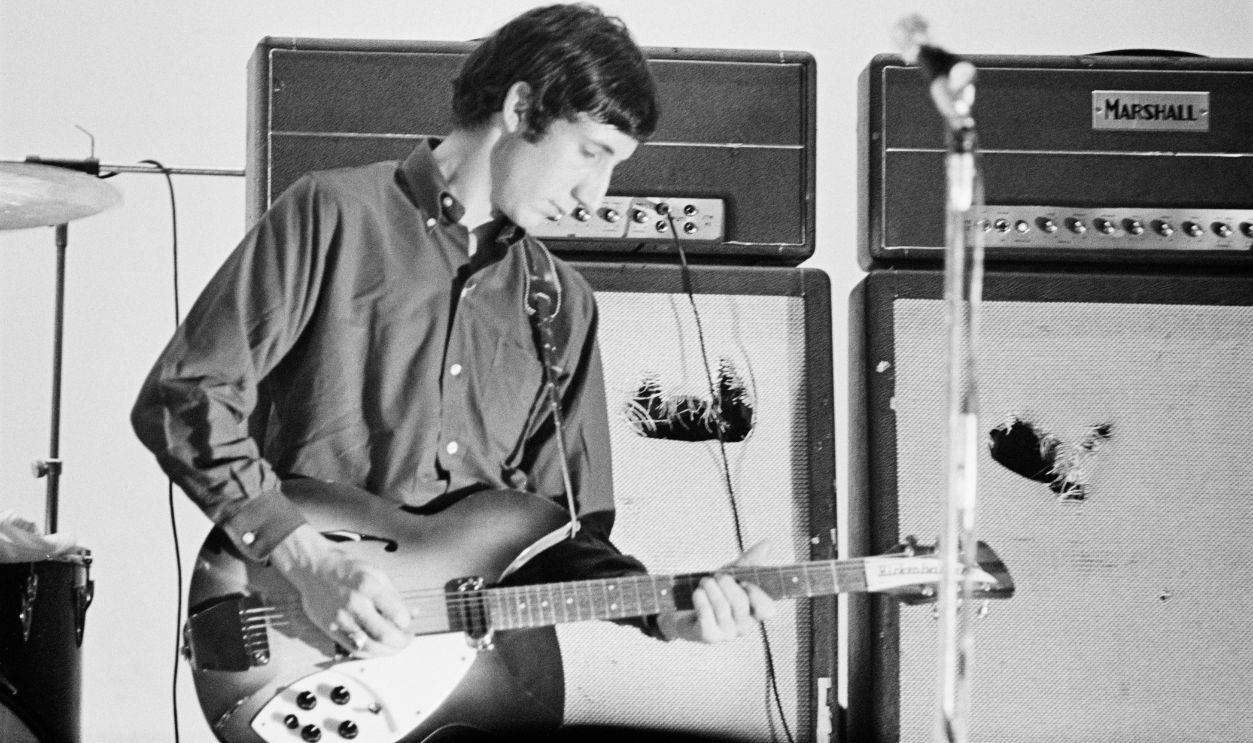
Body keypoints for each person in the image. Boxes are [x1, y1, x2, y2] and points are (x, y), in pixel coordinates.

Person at [131, 3, 774, 662]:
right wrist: (307, 560)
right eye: (590, 153)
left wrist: (664, 612)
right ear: (521, 108)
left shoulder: (564, 303)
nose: (595, 195)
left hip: (481, 675)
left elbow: (563, 536)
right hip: (312, 650)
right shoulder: (334, 213)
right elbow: (187, 394)